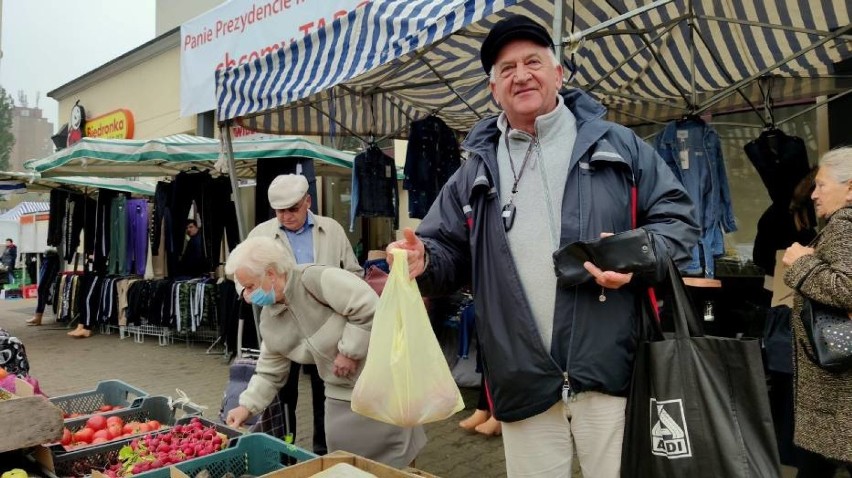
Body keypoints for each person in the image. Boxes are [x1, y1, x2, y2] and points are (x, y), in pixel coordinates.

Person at [386, 15, 698, 477]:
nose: (521, 75)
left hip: (612, 367)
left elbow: (678, 221)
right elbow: (446, 248)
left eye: (533, 61)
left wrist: (638, 256)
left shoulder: (620, 146)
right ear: (494, 89)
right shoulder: (474, 170)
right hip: (521, 374)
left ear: (559, 74)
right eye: (506, 69)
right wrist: (423, 258)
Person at [224, 236, 426, 466]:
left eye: (250, 286)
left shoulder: (316, 278)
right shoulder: (270, 319)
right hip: (339, 396)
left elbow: (369, 307)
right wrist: (246, 406)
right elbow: (270, 372)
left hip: (381, 384)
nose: (248, 297)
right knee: (344, 463)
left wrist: (349, 351)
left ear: (271, 273)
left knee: (398, 460)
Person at [247, 173, 362, 455]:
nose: (286, 216)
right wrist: (249, 292)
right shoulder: (261, 235)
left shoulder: (332, 230)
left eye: (293, 209)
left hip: (326, 327)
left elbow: (354, 273)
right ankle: (285, 452)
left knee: (327, 391)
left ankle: (324, 452)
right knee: (283, 392)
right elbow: (242, 275)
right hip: (283, 325)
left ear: (307, 201)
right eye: (279, 211)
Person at [781, 147, 852, 477]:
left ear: (850, 188)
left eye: (821, 185)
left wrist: (801, 263)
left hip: (840, 387)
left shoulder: (845, 225)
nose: (813, 194)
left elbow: (848, 288)